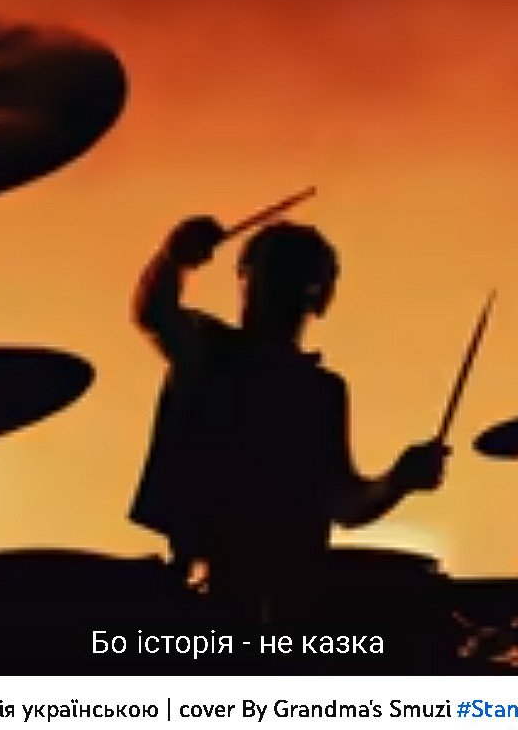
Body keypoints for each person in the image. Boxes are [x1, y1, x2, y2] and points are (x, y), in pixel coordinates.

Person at [128, 215, 447, 621]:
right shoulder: (208, 351)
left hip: (288, 597)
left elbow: (342, 502)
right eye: (271, 274)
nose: (275, 290)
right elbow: (154, 313)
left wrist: (398, 480)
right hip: (210, 592)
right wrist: (173, 259)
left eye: (291, 278)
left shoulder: (320, 392)